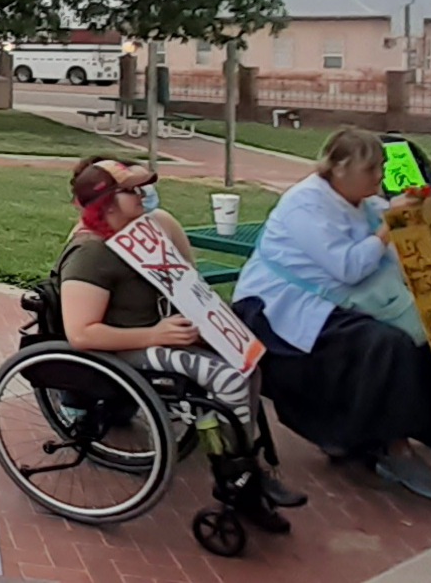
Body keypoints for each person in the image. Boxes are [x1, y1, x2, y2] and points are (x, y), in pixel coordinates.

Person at [57, 158, 306, 530]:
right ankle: (238, 477)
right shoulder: (90, 254)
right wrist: (155, 335)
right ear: (106, 204)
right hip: (125, 347)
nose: (143, 195)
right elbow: (81, 333)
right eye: (132, 190)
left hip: (163, 332)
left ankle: (242, 465)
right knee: (226, 378)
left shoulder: (142, 235)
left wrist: (213, 325)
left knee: (247, 363)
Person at [232, 127, 431, 502]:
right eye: (370, 169)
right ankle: (393, 446)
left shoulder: (363, 203)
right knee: (385, 344)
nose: (379, 177)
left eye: (381, 168)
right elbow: (349, 267)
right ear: (339, 168)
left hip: (334, 298)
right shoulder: (304, 205)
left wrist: (411, 219)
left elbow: (388, 255)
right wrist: (389, 227)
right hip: (278, 310)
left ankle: (409, 433)